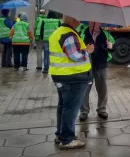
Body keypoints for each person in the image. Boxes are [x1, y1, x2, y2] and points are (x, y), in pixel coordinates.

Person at [49, 15, 94, 150]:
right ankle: (67, 139)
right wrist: (88, 51)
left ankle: (61, 134)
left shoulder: (58, 32)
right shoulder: (68, 34)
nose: (79, 21)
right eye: (78, 19)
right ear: (73, 20)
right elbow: (75, 56)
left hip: (62, 76)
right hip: (73, 78)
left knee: (63, 107)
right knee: (71, 109)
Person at [79, 21, 114, 121]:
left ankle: (101, 109)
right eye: (90, 22)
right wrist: (86, 49)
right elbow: (78, 49)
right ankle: (84, 111)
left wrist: (111, 47)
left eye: (96, 22)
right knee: (85, 89)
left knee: (102, 88)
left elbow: (112, 47)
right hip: (86, 65)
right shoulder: (82, 33)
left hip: (101, 64)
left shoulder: (106, 34)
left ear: (100, 23)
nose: (93, 24)